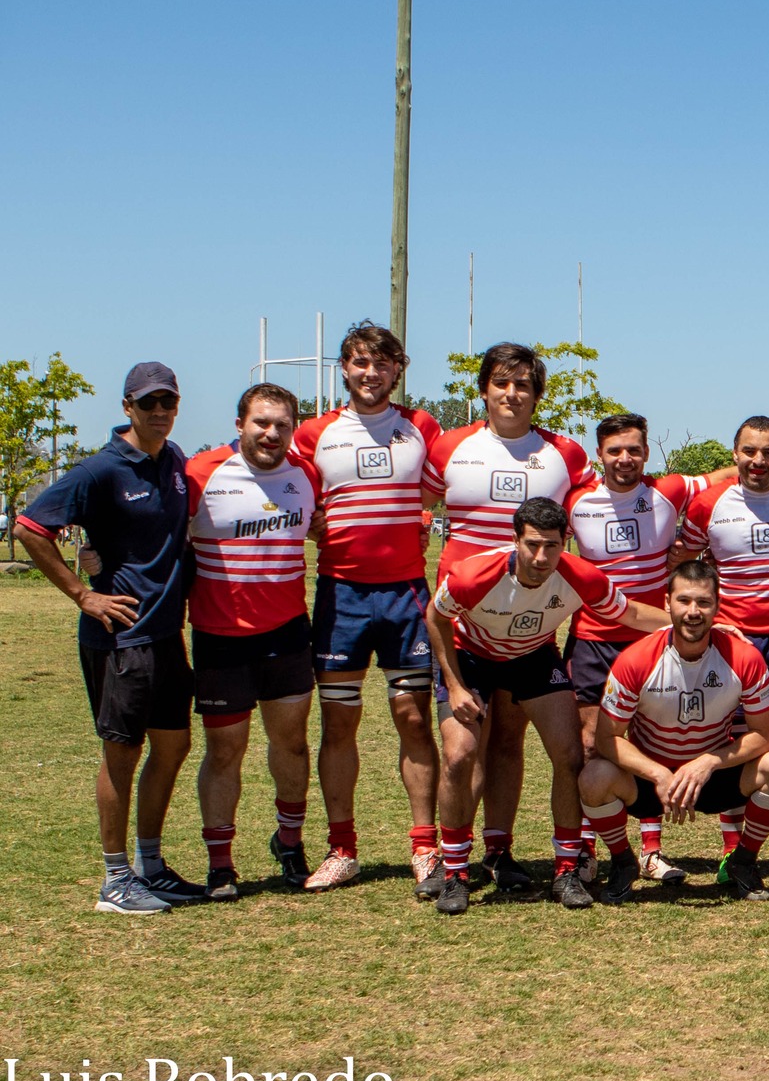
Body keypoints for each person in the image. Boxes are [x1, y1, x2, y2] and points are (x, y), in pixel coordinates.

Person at [14, 362, 205, 914]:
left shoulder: (173, 461)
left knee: (174, 745)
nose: (159, 411)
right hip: (120, 636)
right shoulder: (99, 469)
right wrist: (83, 593)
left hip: (166, 634)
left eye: (168, 401)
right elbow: (30, 527)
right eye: (148, 403)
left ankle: (151, 866)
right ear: (127, 407)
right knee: (122, 753)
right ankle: (115, 881)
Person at [425, 497, 667, 914]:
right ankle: (454, 873)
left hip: (532, 657)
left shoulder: (580, 577)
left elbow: (629, 614)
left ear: (565, 543)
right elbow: (436, 616)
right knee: (460, 754)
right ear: (515, 540)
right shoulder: (474, 574)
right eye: (532, 545)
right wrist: (455, 684)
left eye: (551, 546)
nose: (541, 557)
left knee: (570, 755)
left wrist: (692, 620)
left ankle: (567, 869)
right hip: (470, 657)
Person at [422, 342, 592, 889]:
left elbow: (613, 494)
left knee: (510, 741)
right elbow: (407, 505)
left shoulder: (564, 454)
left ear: (538, 395)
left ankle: (499, 851)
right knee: (463, 747)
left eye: (523, 385)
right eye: (501, 382)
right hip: (466, 624)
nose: (511, 394)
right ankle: (448, 862)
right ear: (484, 389)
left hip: (529, 631)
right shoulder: (449, 446)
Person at [292, 322, 444, 896]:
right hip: (341, 594)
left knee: (412, 719)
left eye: (381, 363)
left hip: (406, 592)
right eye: (359, 362)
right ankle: (343, 848)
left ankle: (425, 845)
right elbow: (293, 496)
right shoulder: (314, 433)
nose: (370, 373)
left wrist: (422, 520)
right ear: (344, 368)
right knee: (339, 721)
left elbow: (438, 488)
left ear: (397, 370)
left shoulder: (422, 427)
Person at [578, 561, 769, 904]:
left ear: (717, 605)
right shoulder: (635, 660)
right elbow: (607, 739)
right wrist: (658, 773)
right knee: (593, 776)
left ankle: (744, 860)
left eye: (703, 602)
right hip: (652, 782)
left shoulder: (744, 658)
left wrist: (707, 762)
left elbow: (765, 736)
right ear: (667, 603)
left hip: (711, 778)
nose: (693, 612)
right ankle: (623, 862)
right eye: (683, 601)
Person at [564, 413, 724, 883]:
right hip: (592, 639)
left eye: (633, 449)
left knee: (650, 741)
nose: (625, 458)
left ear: (646, 452)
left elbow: (724, 474)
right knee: (593, 746)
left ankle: (652, 850)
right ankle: (590, 850)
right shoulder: (576, 500)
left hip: (656, 638)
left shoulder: (667, 491)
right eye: (615, 450)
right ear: (600, 454)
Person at [184, 385, 320, 900]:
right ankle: (221, 864)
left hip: (286, 632)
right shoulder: (201, 472)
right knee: (226, 751)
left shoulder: (306, 473)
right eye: (261, 423)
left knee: (290, 744)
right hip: (220, 638)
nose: (271, 434)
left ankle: (290, 843)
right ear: (239, 423)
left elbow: (323, 528)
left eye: (282, 425)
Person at [678, 417, 769, 791]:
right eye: (749, 451)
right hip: (734, 641)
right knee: (735, 744)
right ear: (735, 453)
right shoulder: (708, 504)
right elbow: (681, 566)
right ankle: (735, 844)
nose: (758, 460)